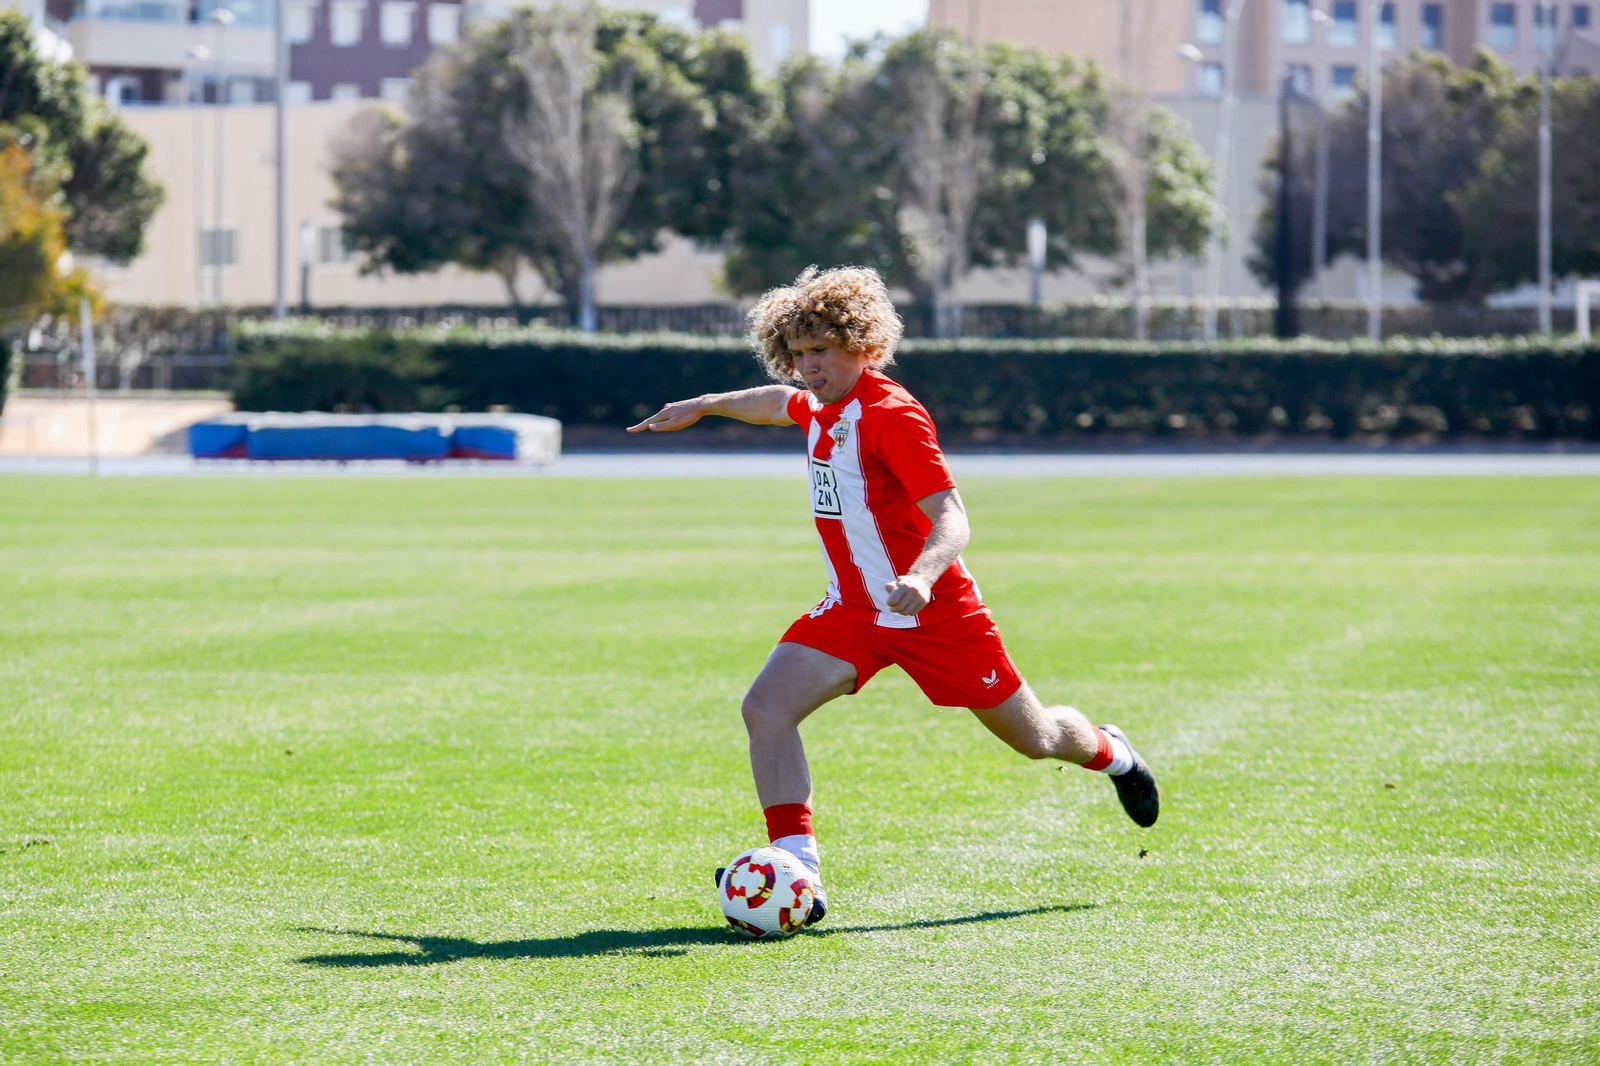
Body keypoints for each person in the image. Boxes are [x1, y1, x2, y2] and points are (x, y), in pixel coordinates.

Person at [627, 266, 1158, 926]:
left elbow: (953, 515)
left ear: (862, 343)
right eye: (797, 354)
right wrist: (704, 404)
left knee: (1039, 738)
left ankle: (1115, 754)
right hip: (853, 611)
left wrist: (922, 577)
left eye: (820, 351)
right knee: (766, 708)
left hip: (936, 614)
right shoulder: (815, 403)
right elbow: (774, 402)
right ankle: (802, 873)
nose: (807, 367)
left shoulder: (892, 416)